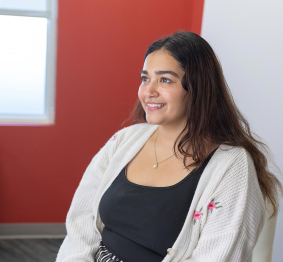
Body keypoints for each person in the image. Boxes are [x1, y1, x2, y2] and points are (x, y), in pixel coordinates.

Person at [55, 31, 282, 262]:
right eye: (145, 78)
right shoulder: (125, 140)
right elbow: (81, 222)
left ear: (197, 87)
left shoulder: (232, 166)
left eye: (165, 80)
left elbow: (218, 256)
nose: (149, 92)